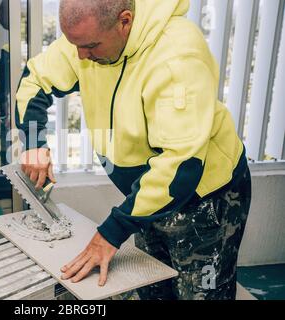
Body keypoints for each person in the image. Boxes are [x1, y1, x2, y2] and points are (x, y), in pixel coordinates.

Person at [15, 0, 251, 300]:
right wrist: (34, 144)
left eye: (90, 46)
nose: (80, 56)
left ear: (124, 21)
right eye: (75, 44)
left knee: (201, 294)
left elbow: (180, 168)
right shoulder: (91, 35)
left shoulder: (178, 57)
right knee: (153, 284)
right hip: (149, 192)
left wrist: (112, 232)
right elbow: (36, 79)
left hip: (205, 197)